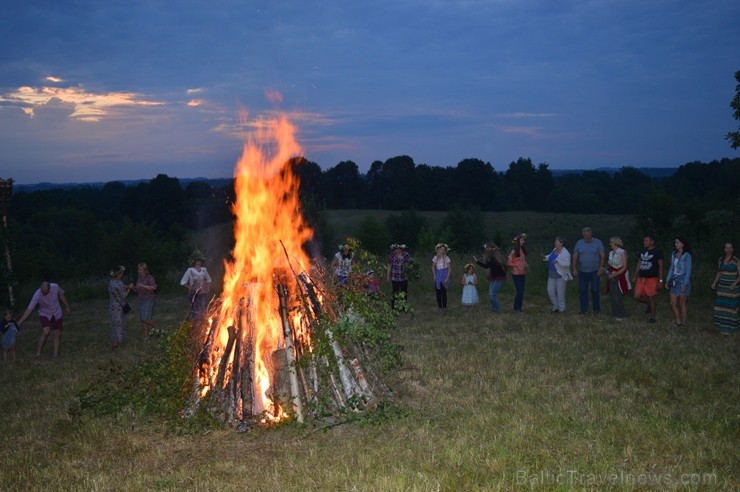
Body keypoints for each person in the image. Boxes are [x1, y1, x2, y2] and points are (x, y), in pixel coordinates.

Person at [17, 280, 71, 359]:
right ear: (40, 288)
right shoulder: (37, 295)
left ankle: (56, 355)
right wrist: (19, 322)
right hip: (45, 313)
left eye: (45, 291)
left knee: (57, 333)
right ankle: (38, 353)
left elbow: (61, 295)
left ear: (49, 288)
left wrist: (67, 306)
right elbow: (29, 309)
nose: (43, 293)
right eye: (42, 291)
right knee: (46, 331)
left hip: (56, 312)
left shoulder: (55, 287)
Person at [631, 234, 665, 323]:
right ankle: (650, 304)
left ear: (652, 241)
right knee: (636, 296)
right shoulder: (643, 250)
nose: (644, 242)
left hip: (652, 278)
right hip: (641, 278)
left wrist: (660, 281)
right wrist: (635, 275)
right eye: (644, 241)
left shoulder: (657, 252)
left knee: (651, 297)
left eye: (646, 241)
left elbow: (661, 267)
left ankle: (653, 317)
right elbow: (639, 263)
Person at [572, 227, 605, 314]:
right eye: (584, 235)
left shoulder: (598, 242)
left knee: (595, 290)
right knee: (583, 290)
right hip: (582, 271)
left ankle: (596, 309)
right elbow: (575, 255)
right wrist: (574, 268)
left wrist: (601, 267)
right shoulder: (579, 242)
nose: (585, 237)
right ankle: (584, 310)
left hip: (594, 270)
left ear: (591, 234)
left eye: (587, 235)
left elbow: (602, 255)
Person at [710, 242, 739, 334]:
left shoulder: (736, 260)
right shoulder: (721, 260)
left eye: (730, 247)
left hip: (731, 288)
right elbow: (719, 272)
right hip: (722, 287)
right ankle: (721, 327)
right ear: (724, 249)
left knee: (731, 308)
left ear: (733, 249)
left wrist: (735, 283)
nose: (728, 249)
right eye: (726, 248)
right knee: (721, 306)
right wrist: (714, 282)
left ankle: (730, 329)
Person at [665, 237, 692, 328]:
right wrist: (667, 280)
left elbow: (688, 270)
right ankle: (678, 321)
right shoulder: (673, 254)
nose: (675, 244)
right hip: (674, 280)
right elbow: (671, 268)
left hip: (683, 279)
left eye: (677, 242)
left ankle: (683, 323)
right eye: (675, 242)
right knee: (672, 303)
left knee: (682, 303)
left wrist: (685, 283)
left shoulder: (687, 255)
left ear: (682, 244)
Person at [474, 243, 506, 313]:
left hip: (499, 277)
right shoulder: (494, 257)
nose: (486, 251)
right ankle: (494, 308)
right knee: (491, 293)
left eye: (486, 249)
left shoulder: (494, 258)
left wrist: (477, 261)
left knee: (492, 294)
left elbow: (486, 266)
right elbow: (488, 265)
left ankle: (497, 309)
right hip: (495, 277)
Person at [544, 236, 572, 313]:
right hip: (552, 274)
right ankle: (555, 306)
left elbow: (567, 264)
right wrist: (545, 257)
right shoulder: (554, 249)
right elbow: (550, 256)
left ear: (561, 243)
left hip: (561, 275)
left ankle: (562, 309)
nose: (555, 243)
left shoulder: (566, 253)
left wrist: (558, 262)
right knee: (550, 290)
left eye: (556, 242)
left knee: (560, 293)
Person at [605, 236, 631, 320]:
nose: (610, 244)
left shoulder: (622, 252)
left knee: (617, 296)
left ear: (616, 243)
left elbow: (624, 267)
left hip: (620, 276)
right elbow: (610, 265)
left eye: (611, 243)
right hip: (612, 275)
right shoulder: (610, 253)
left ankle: (621, 315)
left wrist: (614, 275)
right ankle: (615, 313)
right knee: (612, 295)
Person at [130, 262, 157, 338]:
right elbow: (137, 289)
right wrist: (133, 288)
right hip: (141, 300)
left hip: (148, 300)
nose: (139, 271)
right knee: (143, 320)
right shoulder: (139, 278)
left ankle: (157, 328)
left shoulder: (149, 277)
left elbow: (154, 287)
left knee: (144, 318)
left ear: (145, 270)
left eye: (141, 269)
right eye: (138, 269)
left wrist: (143, 286)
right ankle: (146, 336)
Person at [180, 257, 212, 322]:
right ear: (194, 262)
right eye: (197, 261)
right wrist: (189, 288)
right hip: (193, 293)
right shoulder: (190, 270)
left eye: (199, 261)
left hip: (203, 292)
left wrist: (208, 288)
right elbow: (183, 282)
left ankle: (204, 323)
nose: (198, 262)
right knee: (195, 309)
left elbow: (209, 280)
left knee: (203, 308)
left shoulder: (204, 270)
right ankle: (196, 324)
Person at [109, 265, 131, 349]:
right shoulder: (116, 283)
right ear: (119, 274)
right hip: (118, 307)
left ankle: (116, 341)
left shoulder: (112, 281)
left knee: (116, 324)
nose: (122, 274)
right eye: (122, 273)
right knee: (118, 324)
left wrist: (127, 286)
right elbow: (124, 295)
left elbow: (121, 287)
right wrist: (130, 288)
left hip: (114, 306)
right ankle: (116, 343)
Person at [387, 244, 412, 309]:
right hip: (394, 277)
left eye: (398, 249)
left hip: (404, 277)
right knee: (395, 292)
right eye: (395, 249)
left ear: (401, 249)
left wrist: (410, 267)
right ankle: (393, 307)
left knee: (403, 292)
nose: (397, 250)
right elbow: (389, 266)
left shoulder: (406, 255)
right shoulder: (392, 255)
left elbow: (410, 263)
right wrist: (388, 276)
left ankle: (403, 306)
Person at [507, 233, 528, 312]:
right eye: (522, 240)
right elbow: (509, 263)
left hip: (522, 273)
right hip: (516, 274)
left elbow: (523, 261)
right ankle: (516, 308)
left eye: (523, 240)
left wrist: (525, 265)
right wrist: (516, 265)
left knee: (522, 291)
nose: (523, 241)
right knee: (520, 291)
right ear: (518, 241)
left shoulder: (522, 250)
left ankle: (519, 307)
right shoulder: (514, 251)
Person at [431, 243, 451, 311]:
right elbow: (433, 267)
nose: (442, 251)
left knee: (444, 292)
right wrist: (434, 276)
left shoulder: (447, 258)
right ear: (438, 250)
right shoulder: (435, 258)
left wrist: (447, 278)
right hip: (438, 274)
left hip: (444, 274)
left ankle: (444, 307)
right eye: (441, 249)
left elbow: (449, 269)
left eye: (443, 249)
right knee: (438, 292)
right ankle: (439, 307)